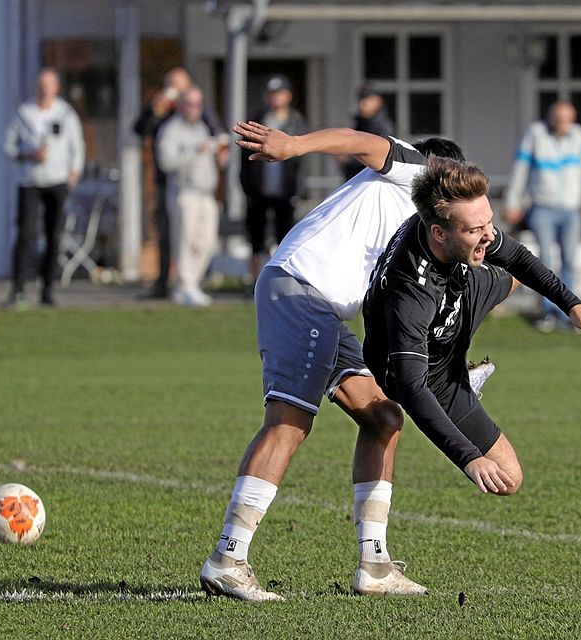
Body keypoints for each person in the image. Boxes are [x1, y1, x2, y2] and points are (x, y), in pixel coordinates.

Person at [200, 120, 471, 601]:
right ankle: (228, 558)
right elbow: (364, 141)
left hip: (321, 308)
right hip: (300, 290)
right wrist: (293, 146)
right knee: (288, 421)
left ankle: (375, 566)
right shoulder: (411, 170)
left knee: (384, 417)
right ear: (439, 169)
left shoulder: (414, 234)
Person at [362, 157, 581, 500]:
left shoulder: (464, 229)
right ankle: (463, 377)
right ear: (438, 233)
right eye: (475, 230)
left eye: (489, 223)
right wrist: (468, 457)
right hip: (426, 375)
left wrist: (572, 304)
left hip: (461, 293)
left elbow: (518, 257)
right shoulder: (411, 292)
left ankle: (464, 362)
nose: (488, 235)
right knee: (506, 478)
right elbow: (411, 387)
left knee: (514, 267)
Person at [504, 101, 581, 332]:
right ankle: (547, 311)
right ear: (551, 117)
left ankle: (571, 312)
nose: (563, 124)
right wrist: (513, 202)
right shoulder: (535, 134)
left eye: (567, 119)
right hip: (542, 207)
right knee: (545, 262)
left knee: (570, 261)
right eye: (559, 118)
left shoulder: (579, 136)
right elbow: (520, 170)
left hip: (572, 209)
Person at [133, 67, 223, 299]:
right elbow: (141, 129)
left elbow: (218, 135)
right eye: (170, 86)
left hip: (202, 187)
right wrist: (155, 106)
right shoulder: (165, 117)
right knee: (172, 235)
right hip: (172, 183)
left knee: (202, 239)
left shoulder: (201, 117)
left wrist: (219, 151)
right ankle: (171, 284)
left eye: (178, 86)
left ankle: (190, 282)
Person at [2, 67, 84, 308]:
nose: (44, 88)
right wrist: (28, 155)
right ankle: (18, 289)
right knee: (26, 234)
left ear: (56, 88)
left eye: (49, 84)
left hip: (57, 181)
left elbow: (76, 146)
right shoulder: (23, 113)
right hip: (30, 181)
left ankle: (47, 289)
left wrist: (73, 173)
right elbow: (7, 147)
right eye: (41, 84)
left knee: (53, 235)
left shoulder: (66, 114)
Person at [155, 87, 228, 306]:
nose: (194, 109)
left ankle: (192, 284)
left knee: (206, 242)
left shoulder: (203, 128)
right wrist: (195, 151)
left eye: (198, 104)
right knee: (185, 241)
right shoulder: (171, 130)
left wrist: (221, 157)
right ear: (180, 105)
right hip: (184, 193)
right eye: (190, 104)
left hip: (206, 193)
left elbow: (214, 156)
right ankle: (185, 285)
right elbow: (166, 162)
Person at [240, 75, 308, 287]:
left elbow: (302, 160)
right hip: (258, 191)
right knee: (256, 240)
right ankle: (255, 282)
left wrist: (298, 188)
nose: (275, 98)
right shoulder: (258, 119)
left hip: (285, 192)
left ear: (287, 96)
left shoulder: (296, 122)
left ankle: (281, 282)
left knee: (285, 238)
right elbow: (245, 158)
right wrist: (247, 186)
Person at [340, 84, 395, 181]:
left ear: (377, 101)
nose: (363, 104)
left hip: (372, 180)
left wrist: (349, 157)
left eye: (367, 99)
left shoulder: (382, 126)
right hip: (355, 178)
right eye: (361, 99)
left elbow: (380, 156)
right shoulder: (359, 122)